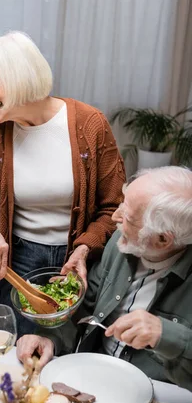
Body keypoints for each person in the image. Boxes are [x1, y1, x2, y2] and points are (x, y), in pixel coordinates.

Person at [0, 31, 125, 335]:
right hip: (21, 262)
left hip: (81, 261)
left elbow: (114, 207)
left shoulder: (90, 124)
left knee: (76, 351)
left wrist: (85, 248)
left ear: (18, 74)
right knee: (23, 354)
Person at [16, 166, 192, 391]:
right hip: (93, 377)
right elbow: (85, 307)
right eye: (122, 204)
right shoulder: (122, 243)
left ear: (163, 240)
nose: (114, 217)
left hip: (158, 397)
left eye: (127, 216)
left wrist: (166, 335)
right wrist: (50, 338)